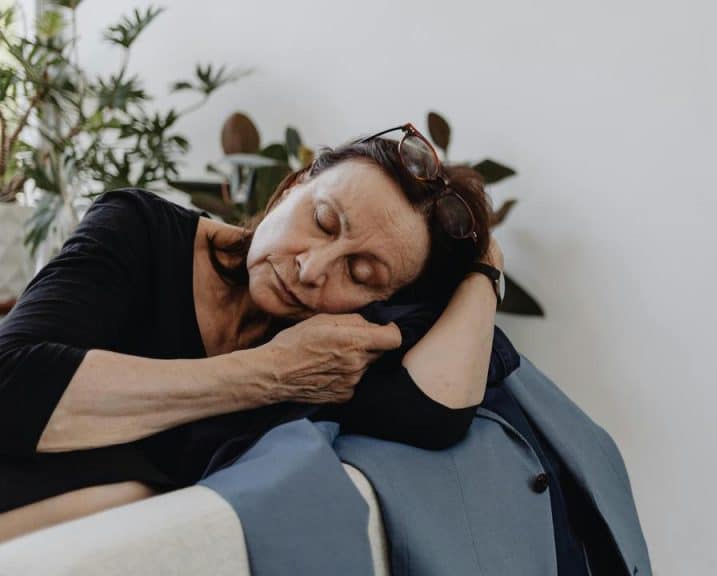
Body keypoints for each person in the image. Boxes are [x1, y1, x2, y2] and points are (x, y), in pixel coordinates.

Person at [0, 123, 505, 539]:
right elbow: (10, 385)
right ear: (290, 189)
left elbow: (434, 413)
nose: (312, 269)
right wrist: (270, 373)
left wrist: (485, 271)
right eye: (324, 222)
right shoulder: (136, 228)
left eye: (361, 274)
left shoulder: (333, 352)